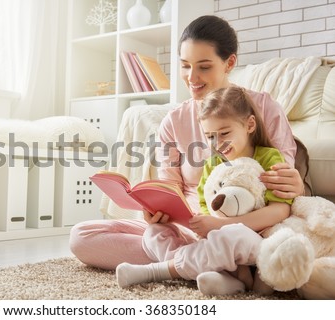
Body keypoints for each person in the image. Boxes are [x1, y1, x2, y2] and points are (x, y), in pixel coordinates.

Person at [69, 15, 304, 294]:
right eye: (185, 66)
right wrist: (155, 210)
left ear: (229, 63)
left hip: (246, 228)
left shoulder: (262, 108)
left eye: (204, 67)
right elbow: (169, 189)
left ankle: (186, 265)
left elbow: (282, 191)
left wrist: (294, 184)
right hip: (188, 230)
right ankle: (213, 267)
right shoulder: (174, 120)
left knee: (272, 242)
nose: (192, 78)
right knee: (82, 236)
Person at [116, 85, 294, 294]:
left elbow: (280, 211)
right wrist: (200, 225)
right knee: (154, 233)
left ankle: (157, 271)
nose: (217, 143)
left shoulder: (270, 158)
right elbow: (206, 206)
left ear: (250, 125)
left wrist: (221, 225)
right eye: (210, 136)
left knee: (231, 235)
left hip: (255, 241)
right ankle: (234, 282)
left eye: (224, 133)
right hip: (218, 241)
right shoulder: (212, 165)